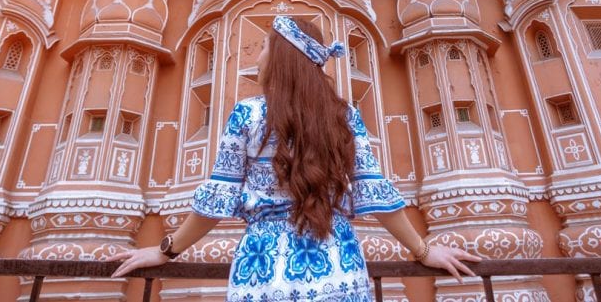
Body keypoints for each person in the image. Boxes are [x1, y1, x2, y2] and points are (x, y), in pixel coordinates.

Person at [108, 15, 480, 300]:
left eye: (266, 46)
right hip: (338, 267)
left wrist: (165, 251)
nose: (259, 54)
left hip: (264, 271)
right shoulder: (344, 118)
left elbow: (217, 201)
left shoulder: (249, 115)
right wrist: (423, 249)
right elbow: (375, 193)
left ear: (284, 57)